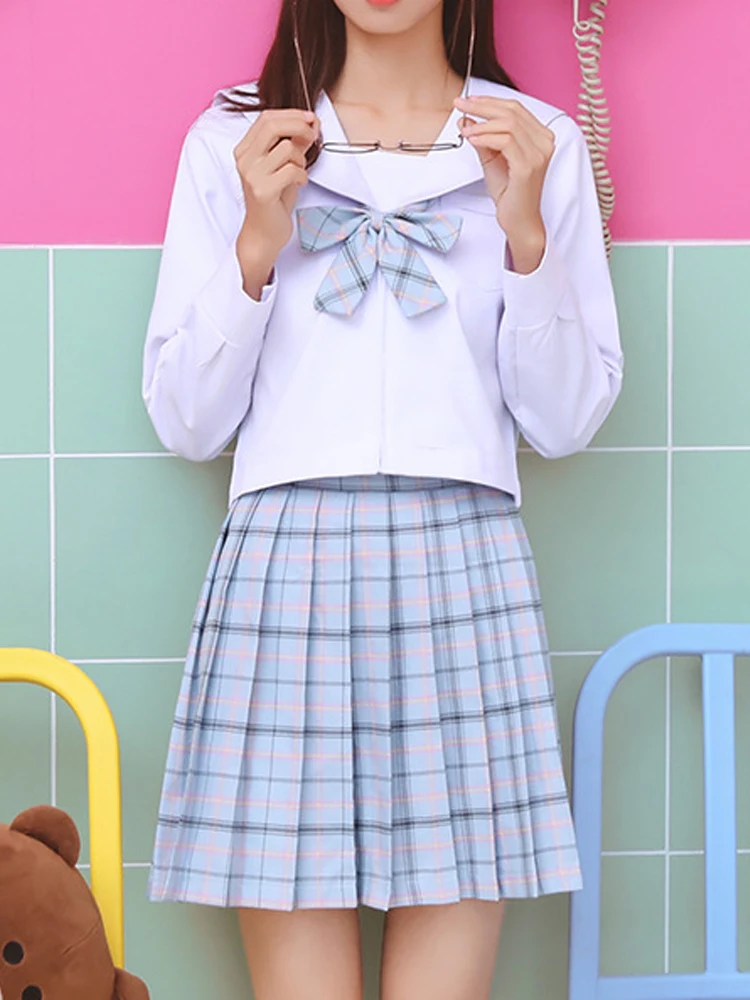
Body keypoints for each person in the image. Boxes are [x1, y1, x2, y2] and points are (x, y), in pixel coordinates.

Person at [141, 0, 623, 997]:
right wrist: (256, 247)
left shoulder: (539, 145)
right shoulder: (237, 141)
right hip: (286, 572)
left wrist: (525, 232)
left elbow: (566, 420)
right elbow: (186, 421)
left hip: (466, 564)